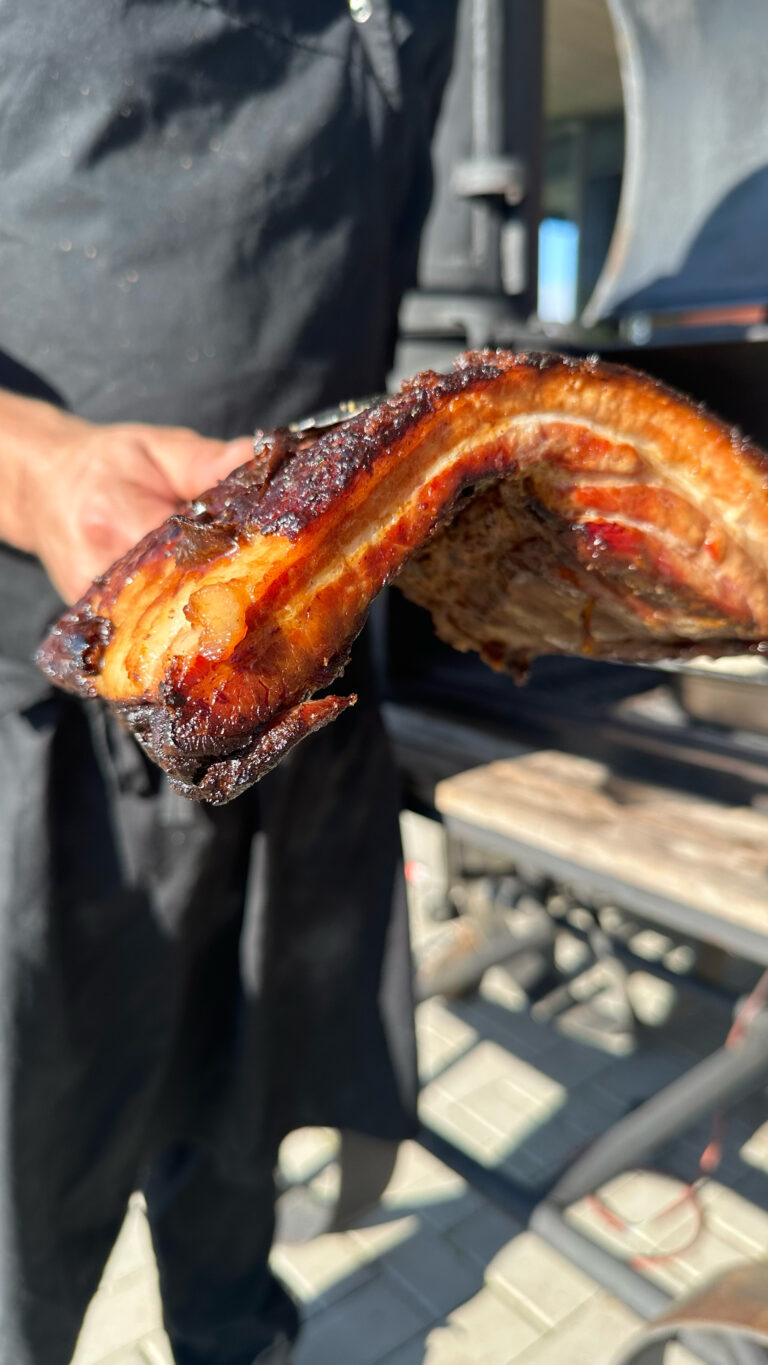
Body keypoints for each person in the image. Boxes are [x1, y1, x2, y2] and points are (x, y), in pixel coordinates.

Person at [0, 3, 457, 1362]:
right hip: (40, 729)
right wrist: (37, 467)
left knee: (238, 1157)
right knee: (23, 1212)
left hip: (298, 712)